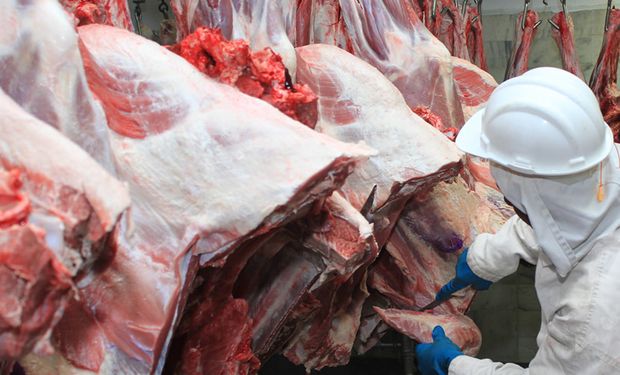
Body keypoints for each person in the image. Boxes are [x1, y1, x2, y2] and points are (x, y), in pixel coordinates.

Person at [415, 67, 620, 375]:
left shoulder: (592, 311)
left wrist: (454, 365)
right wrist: (485, 260)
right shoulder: (598, 169)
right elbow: (556, 214)